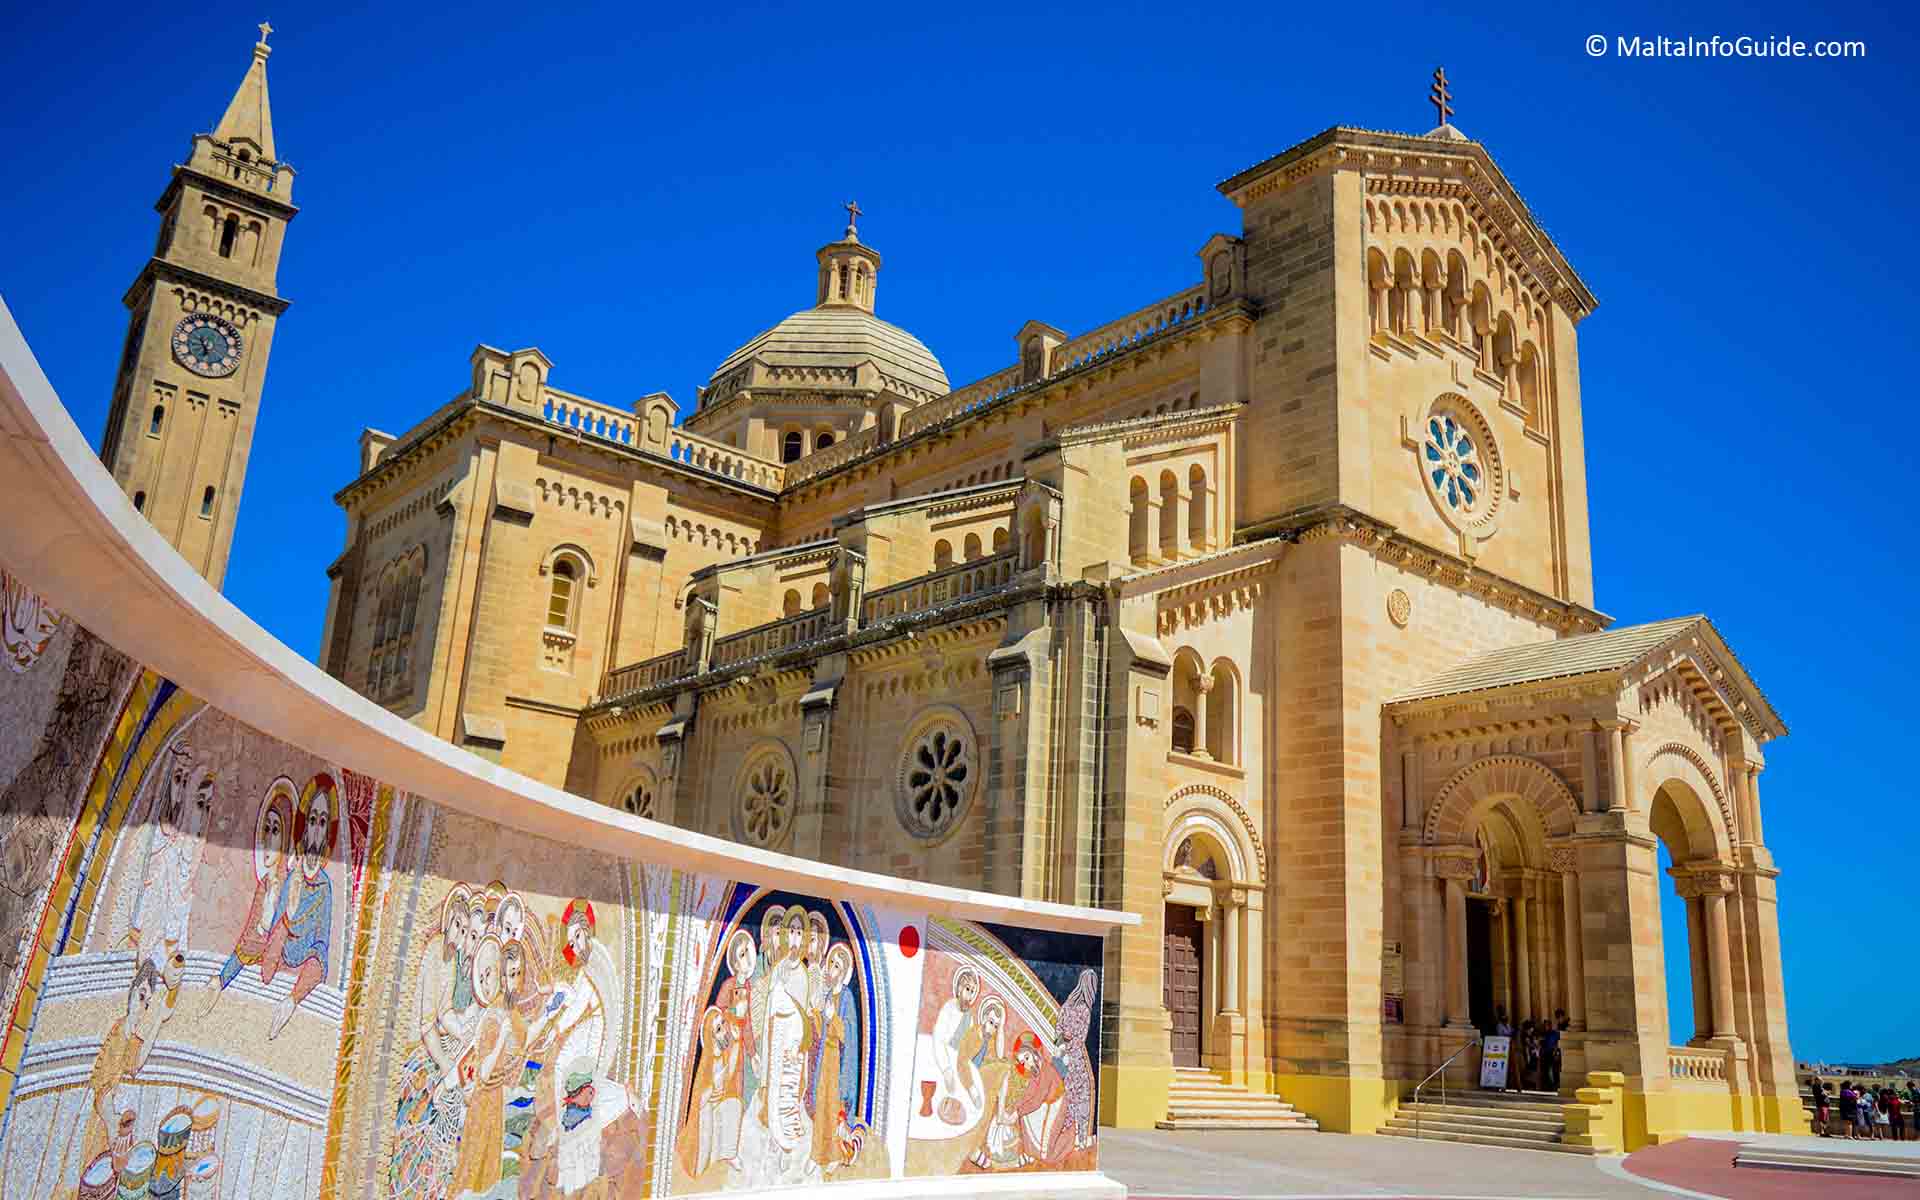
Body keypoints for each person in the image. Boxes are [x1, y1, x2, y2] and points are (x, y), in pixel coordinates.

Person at [1542, 1016, 1563, 1092]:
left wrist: (1556, 1052)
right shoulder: (1544, 1034)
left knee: (1554, 1070)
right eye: (1545, 1026)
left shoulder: (1554, 1033)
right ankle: (1549, 1086)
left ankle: (1555, 1085)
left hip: (1553, 1054)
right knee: (1547, 1070)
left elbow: (1557, 1043)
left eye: (1547, 1025)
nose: (1546, 1027)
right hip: (1546, 1054)